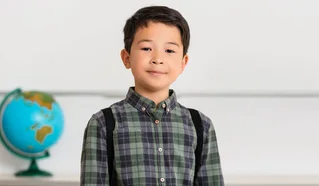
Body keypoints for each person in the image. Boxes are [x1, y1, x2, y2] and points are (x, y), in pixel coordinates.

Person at [80, 5, 224, 186]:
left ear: (183, 63)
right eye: (146, 48)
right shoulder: (103, 123)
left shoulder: (201, 125)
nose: (157, 58)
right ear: (127, 58)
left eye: (169, 50)